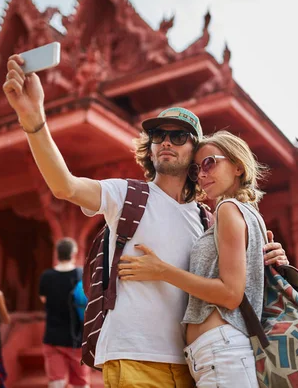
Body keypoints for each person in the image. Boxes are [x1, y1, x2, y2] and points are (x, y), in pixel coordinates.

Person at [3, 54, 287, 387]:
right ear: (150, 149)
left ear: (196, 155)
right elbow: (65, 186)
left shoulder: (207, 218)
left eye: (179, 136)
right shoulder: (126, 196)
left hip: (193, 363)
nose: (166, 141)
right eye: (159, 135)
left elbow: (230, 285)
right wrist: (33, 118)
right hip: (132, 356)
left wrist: (268, 259)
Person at [118, 130, 288, 387]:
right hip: (218, 353)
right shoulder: (247, 215)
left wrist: (161, 270)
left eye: (210, 163)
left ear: (238, 167)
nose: (203, 174)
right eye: (196, 169)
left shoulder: (228, 209)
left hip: (222, 350)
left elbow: (231, 294)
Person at [39, 237, 90, 388]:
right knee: (81, 383)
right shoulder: (81, 274)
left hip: (53, 336)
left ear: (57, 254)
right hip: (78, 338)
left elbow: (43, 299)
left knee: (57, 382)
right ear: (73, 253)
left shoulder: (46, 276)